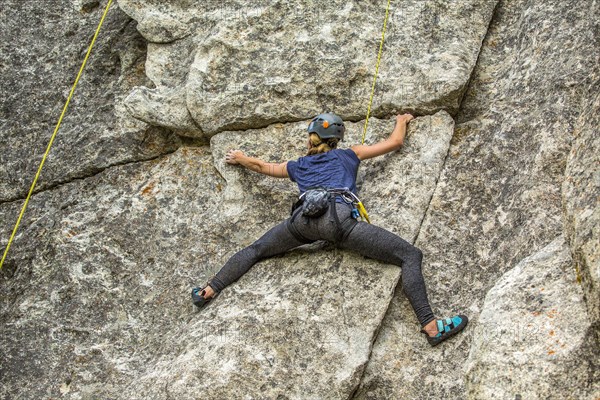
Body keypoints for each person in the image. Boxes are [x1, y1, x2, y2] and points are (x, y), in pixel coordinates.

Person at [191, 112, 468, 346]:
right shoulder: (349, 155)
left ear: (310, 137)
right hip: (338, 221)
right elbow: (395, 142)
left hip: (302, 223)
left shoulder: (298, 166)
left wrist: (240, 157)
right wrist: (402, 119)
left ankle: (208, 291)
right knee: (410, 255)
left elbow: (262, 166)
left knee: (257, 249)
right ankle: (431, 328)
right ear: (336, 139)